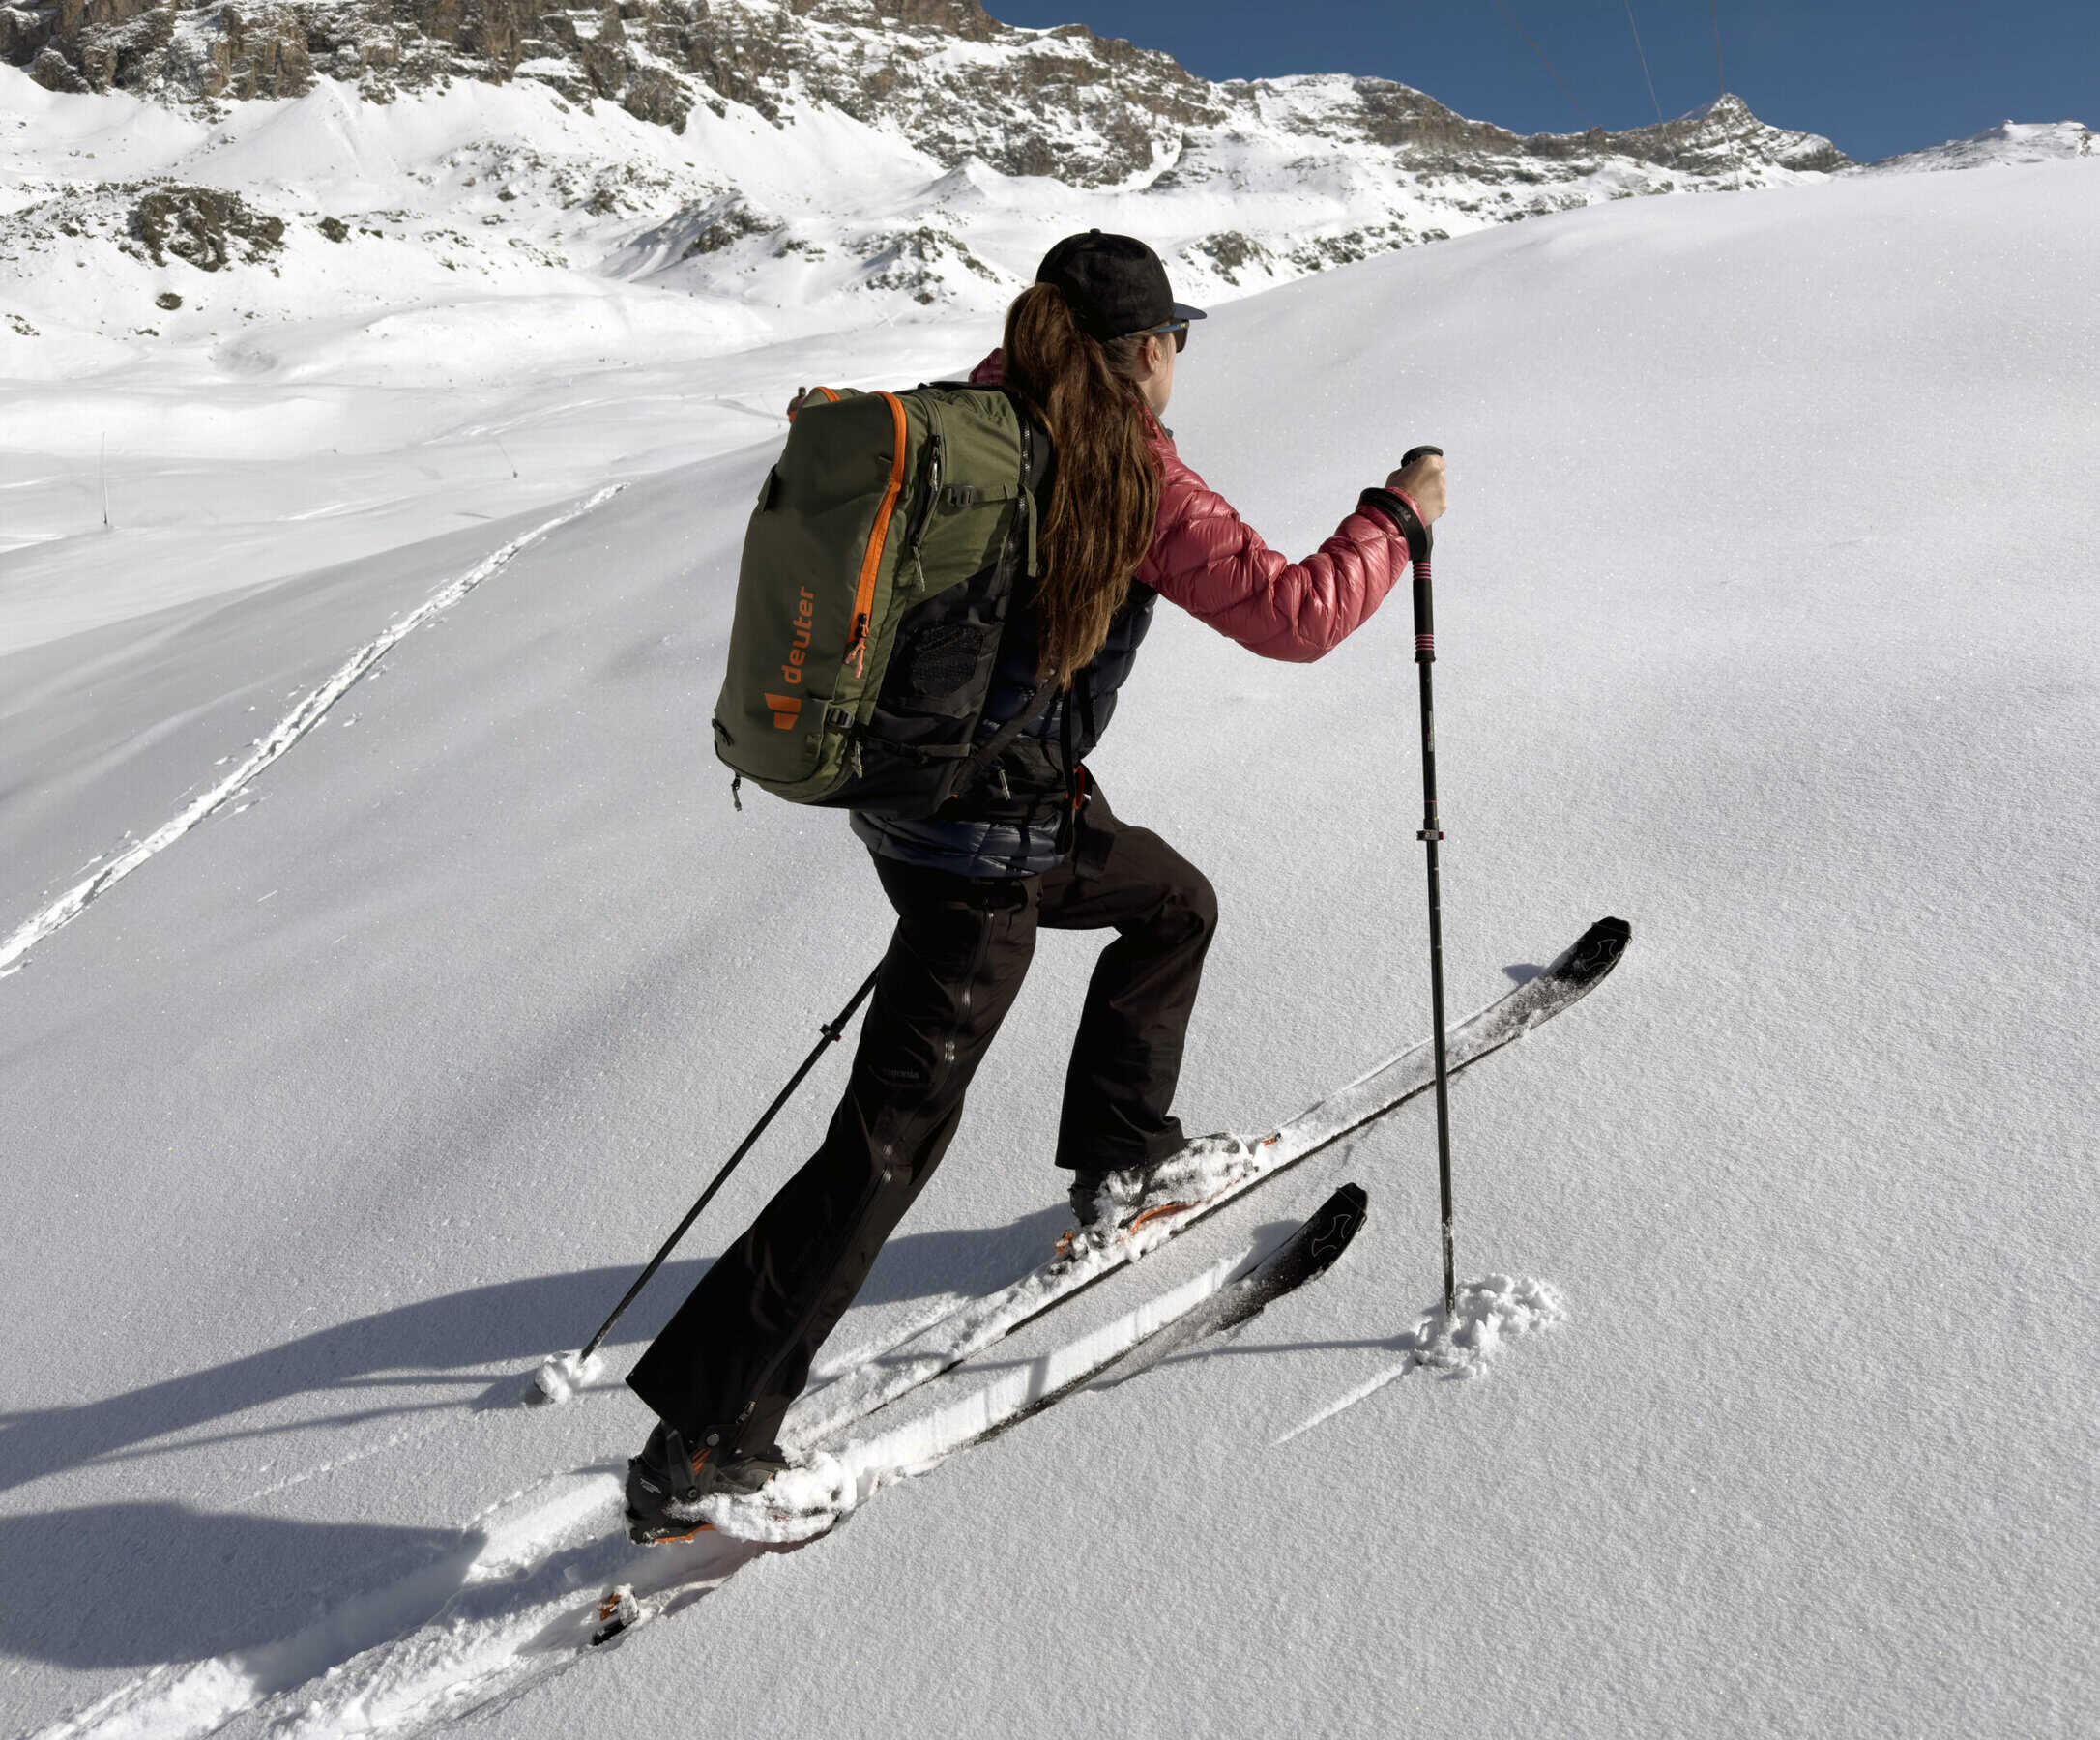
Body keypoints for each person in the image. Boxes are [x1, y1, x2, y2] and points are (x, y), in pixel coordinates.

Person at [622, 229, 1447, 1539]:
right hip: (983, 851)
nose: (1178, 360)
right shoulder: (1132, 476)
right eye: (1170, 339)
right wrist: (1398, 517)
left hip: (940, 813)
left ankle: (1121, 1158)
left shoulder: (979, 423)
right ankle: (704, 1442)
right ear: (1139, 355)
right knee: (891, 1139)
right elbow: (1295, 615)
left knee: (1171, 903)